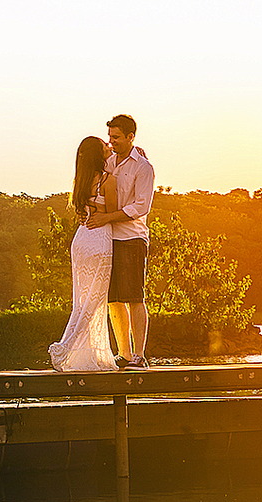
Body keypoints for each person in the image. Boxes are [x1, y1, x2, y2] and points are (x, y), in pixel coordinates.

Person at [87, 114, 155, 369]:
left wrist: (107, 217)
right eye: (110, 137)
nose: (111, 141)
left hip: (132, 238)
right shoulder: (109, 162)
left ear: (131, 137)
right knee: (114, 299)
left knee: (134, 297)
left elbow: (140, 206)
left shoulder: (143, 167)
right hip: (108, 240)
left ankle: (140, 355)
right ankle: (124, 354)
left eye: (116, 137)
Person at [49, 136, 120, 372]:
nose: (109, 148)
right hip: (99, 239)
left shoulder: (81, 181)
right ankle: (65, 348)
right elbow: (113, 211)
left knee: (82, 300)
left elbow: (85, 209)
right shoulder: (107, 180)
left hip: (81, 238)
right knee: (94, 300)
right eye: (104, 146)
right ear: (98, 155)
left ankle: (84, 354)